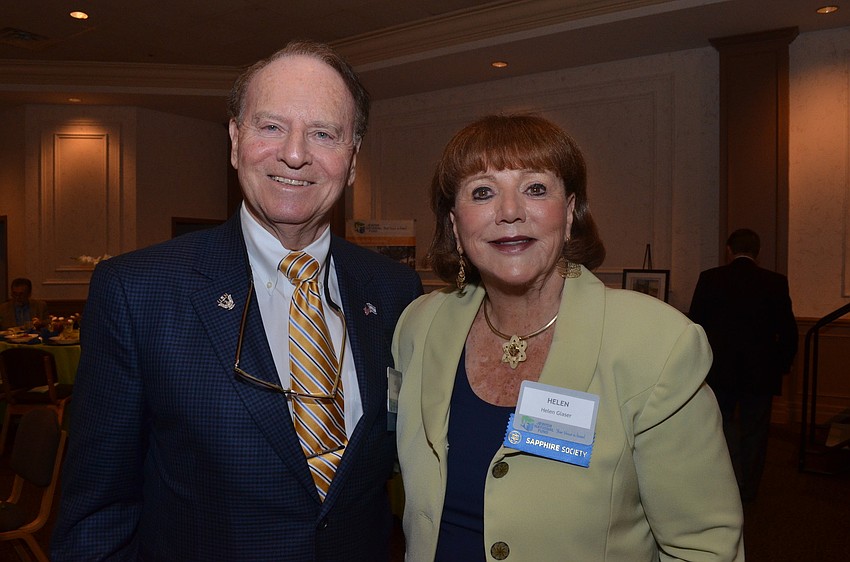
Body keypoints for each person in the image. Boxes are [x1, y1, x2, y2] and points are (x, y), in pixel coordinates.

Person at [51, 40, 423, 561]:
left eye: (323, 133)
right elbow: (96, 516)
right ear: (234, 139)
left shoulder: (393, 293)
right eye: (271, 126)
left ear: (353, 158)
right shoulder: (138, 292)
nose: (295, 153)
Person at [393, 114, 744, 561]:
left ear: (571, 210)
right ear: (455, 224)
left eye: (535, 188)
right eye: (483, 192)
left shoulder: (656, 344)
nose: (510, 211)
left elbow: (704, 544)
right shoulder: (418, 326)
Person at [689, 228, 798, 502]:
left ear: (729, 249)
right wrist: (781, 366)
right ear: (757, 252)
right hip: (760, 371)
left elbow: (696, 327)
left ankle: (722, 483)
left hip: (718, 370)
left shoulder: (710, 279)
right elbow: (788, 332)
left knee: (719, 426)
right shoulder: (775, 282)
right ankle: (748, 489)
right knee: (756, 431)